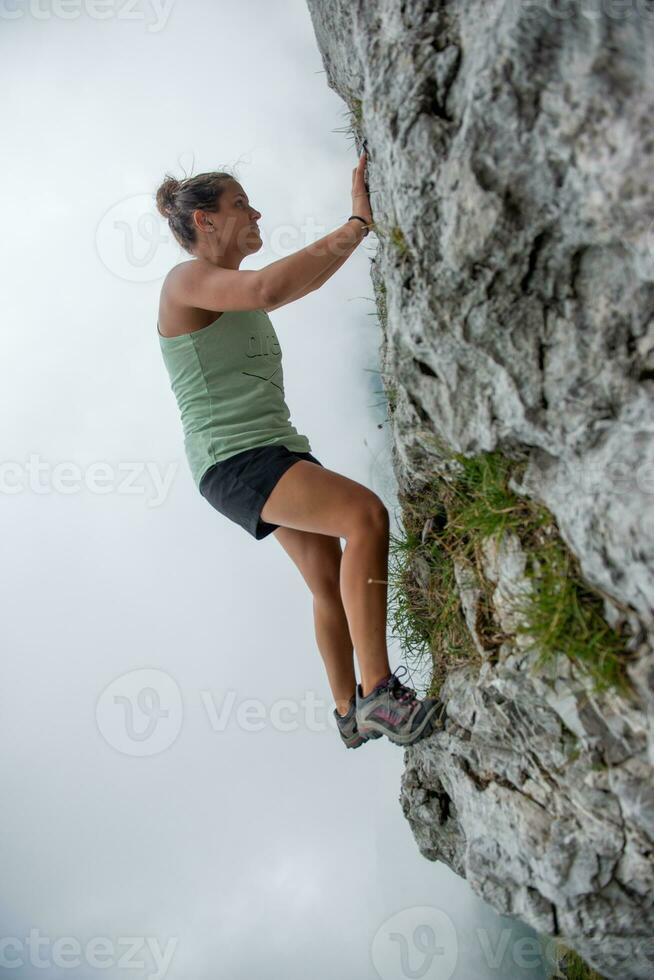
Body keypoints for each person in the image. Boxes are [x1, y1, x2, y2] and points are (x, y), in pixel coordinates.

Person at [154, 150, 446, 749]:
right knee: (364, 516)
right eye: (241, 204)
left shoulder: (229, 290)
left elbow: (292, 287)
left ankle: (348, 711)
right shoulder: (185, 281)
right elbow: (269, 286)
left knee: (326, 574)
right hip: (237, 458)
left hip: (266, 451)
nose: (256, 212)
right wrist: (356, 225)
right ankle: (380, 694)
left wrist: (358, 234)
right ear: (205, 221)